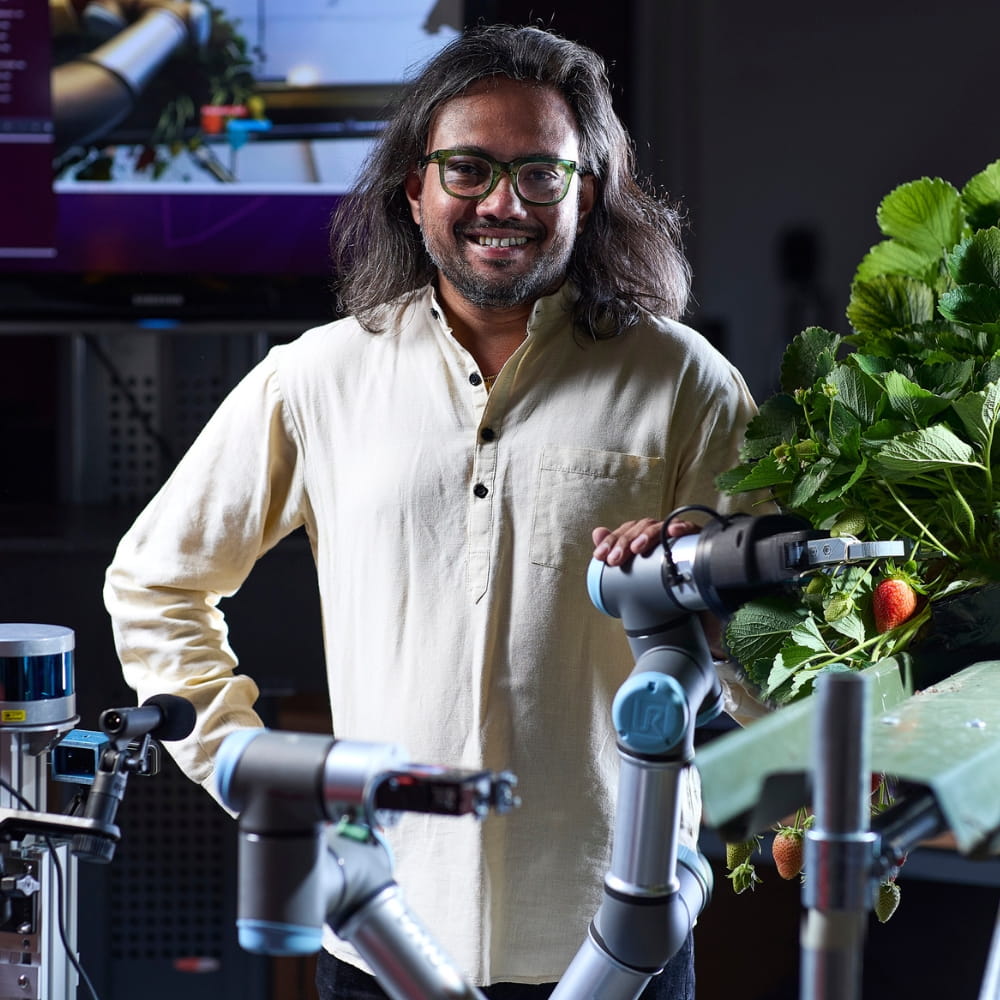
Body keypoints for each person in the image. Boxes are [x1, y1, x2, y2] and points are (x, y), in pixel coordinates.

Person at [103, 22, 763, 1000]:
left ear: (585, 194)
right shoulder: (313, 378)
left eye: (541, 172)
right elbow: (155, 584)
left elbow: (783, 644)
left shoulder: (683, 381)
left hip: (620, 928)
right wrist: (242, 759)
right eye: (468, 169)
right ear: (413, 189)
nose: (504, 202)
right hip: (382, 935)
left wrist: (719, 613)